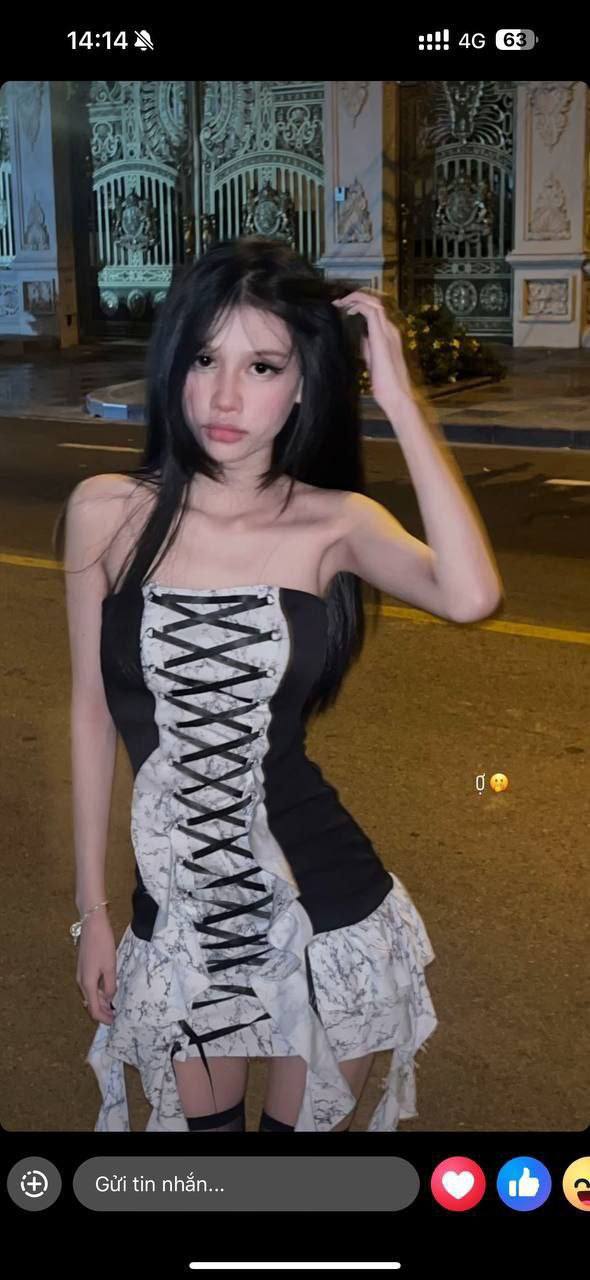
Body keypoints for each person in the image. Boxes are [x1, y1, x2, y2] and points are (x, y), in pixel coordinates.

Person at [57, 236, 503, 1133]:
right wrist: (92, 912)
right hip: (183, 914)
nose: (226, 396)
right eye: (204, 359)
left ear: (303, 385)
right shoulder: (107, 511)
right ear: (173, 365)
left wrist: (401, 399)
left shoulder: (334, 523)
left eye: (262, 366)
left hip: (325, 906)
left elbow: (470, 595)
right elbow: (91, 713)